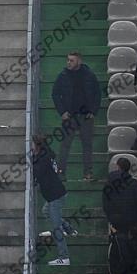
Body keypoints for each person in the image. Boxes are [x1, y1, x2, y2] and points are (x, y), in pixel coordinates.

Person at [51, 52, 100, 180]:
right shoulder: (63, 76)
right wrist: (62, 112)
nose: (68, 62)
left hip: (85, 116)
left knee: (87, 145)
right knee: (65, 145)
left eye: (71, 60)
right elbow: (55, 94)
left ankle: (88, 173)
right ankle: (61, 172)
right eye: (68, 60)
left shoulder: (89, 75)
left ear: (79, 61)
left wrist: (93, 111)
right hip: (70, 116)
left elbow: (97, 94)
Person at [32, 135, 76, 266]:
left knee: (56, 228)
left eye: (32, 144)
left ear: (37, 145)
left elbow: (37, 173)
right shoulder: (44, 155)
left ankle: (64, 257)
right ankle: (69, 230)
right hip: (55, 194)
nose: (30, 147)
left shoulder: (43, 158)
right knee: (46, 211)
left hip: (55, 196)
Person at [103, 157, 137, 233]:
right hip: (131, 219)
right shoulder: (135, 184)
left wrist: (109, 216)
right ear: (129, 169)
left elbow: (105, 201)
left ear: (118, 167)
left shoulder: (109, 183)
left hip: (114, 218)